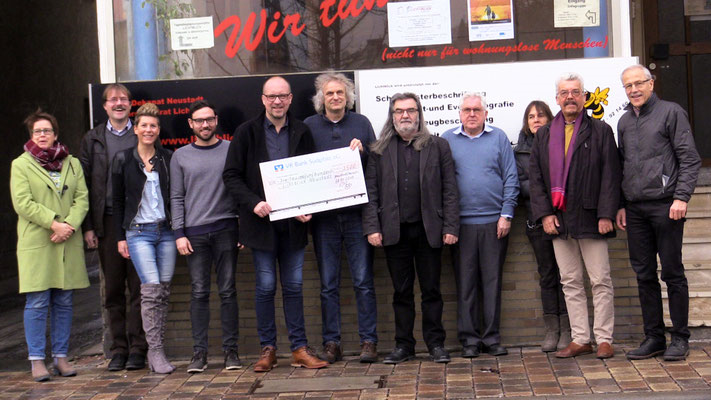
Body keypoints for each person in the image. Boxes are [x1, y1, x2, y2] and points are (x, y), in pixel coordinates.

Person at [223, 76, 328, 371]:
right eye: (272, 96)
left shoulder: (302, 131)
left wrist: (307, 207)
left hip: (293, 226)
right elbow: (231, 176)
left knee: (294, 287)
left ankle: (299, 349)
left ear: (291, 99)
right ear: (263, 99)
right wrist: (253, 202)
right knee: (266, 287)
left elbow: (311, 175)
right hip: (261, 225)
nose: (277, 101)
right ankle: (267, 349)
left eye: (282, 96)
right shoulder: (246, 132)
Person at [528, 73, 621, 359]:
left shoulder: (601, 131)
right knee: (570, 281)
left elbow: (611, 175)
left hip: (592, 218)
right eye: (564, 93)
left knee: (600, 280)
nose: (570, 97)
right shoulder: (544, 135)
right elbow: (536, 179)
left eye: (575, 92)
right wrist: (545, 214)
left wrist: (606, 214)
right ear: (557, 99)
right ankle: (581, 338)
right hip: (559, 220)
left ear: (584, 97)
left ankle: (604, 339)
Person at [363, 92, 459, 364]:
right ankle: (403, 346)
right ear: (392, 116)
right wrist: (372, 227)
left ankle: (436, 344)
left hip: (430, 231)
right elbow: (371, 192)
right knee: (401, 293)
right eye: (399, 111)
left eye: (410, 110)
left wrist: (451, 226)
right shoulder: (379, 150)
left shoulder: (438, 146)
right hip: (394, 232)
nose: (405, 115)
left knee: (432, 291)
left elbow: (450, 190)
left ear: (419, 114)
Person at [616, 64, 701, 361]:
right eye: (628, 86)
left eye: (639, 83)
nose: (634, 90)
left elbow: (689, 159)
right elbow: (622, 165)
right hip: (635, 209)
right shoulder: (624, 122)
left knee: (673, 273)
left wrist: (681, 197)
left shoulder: (671, 113)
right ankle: (654, 338)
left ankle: (680, 338)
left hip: (667, 206)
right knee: (644, 275)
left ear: (651, 84)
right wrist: (622, 204)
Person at [304, 73, 378, 364]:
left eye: (340, 92)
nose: (335, 97)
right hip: (324, 219)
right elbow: (302, 169)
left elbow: (376, 165)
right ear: (321, 99)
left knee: (363, 281)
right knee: (328, 284)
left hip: (357, 215)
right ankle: (331, 342)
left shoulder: (362, 124)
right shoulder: (309, 126)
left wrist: (364, 152)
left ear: (348, 97)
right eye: (330, 93)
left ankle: (368, 341)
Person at [10, 110, 89, 381]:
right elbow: (23, 202)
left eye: (47, 131)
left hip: (67, 239)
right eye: (37, 131)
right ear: (31, 136)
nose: (42, 135)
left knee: (64, 301)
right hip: (39, 240)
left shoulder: (72, 163)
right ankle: (36, 360)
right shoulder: (21, 165)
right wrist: (54, 224)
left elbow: (82, 198)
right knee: (38, 301)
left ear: (55, 134)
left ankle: (61, 357)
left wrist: (69, 225)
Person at [442, 93, 519, 358]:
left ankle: (491, 338)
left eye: (477, 109)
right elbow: (441, 182)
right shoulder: (447, 139)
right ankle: (470, 340)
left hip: (494, 223)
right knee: (466, 285)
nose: (472, 114)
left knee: (491, 283)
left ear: (486, 113)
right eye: (467, 110)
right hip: (460, 226)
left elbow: (511, 177)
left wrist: (506, 214)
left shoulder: (499, 138)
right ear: (459, 114)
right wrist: (448, 224)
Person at [171, 100, 242, 372]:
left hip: (227, 230)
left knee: (228, 291)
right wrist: (179, 233)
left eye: (209, 119)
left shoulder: (231, 149)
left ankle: (231, 352)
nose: (205, 124)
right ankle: (199, 354)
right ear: (191, 124)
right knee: (199, 292)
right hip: (194, 235)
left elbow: (241, 188)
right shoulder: (180, 156)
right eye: (199, 120)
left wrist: (243, 227)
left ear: (216, 120)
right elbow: (176, 197)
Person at [79, 83, 146, 371]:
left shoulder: (141, 132)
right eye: (113, 99)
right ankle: (119, 349)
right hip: (106, 220)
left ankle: (138, 348)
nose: (119, 103)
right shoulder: (92, 139)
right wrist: (88, 227)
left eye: (123, 99)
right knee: (114, 290)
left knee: (139, 288)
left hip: (139, 220)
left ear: (130, 104)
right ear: (105, 105)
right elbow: (83, 185)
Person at [112, 102, 176, 374]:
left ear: (158, 130)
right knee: (150, 291)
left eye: (153, 126)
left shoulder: (168, 158)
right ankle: (156, 351)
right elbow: (117, 201)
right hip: (138, 233)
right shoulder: (123, 159)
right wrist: (120, 237)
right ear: (135, 129)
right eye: (144, 125)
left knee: (163, 292)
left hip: (166, 232)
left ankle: (154, 349)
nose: (149, 130)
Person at [513, 100, 572, 353]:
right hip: (536, 220)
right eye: (531, 116)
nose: (536, 119)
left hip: (564, 220)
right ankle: (552, 329)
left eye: (540, 115)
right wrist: (546, 190)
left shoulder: (561, 144)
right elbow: (521, 185)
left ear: (549, 118)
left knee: (567, 275)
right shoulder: (519, 153)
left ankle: (568, 329)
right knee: (547, 275)